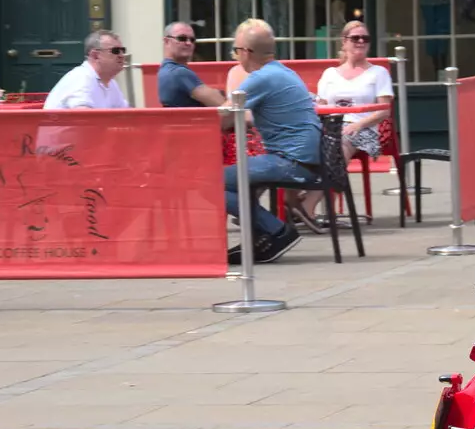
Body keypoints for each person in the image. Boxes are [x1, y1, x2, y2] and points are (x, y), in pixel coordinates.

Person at [221, 19, 321, 265]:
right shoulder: (283, 71)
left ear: (245, 52)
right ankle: (260, 236)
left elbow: (224, 115)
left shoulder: (261, 78)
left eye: (235, 50)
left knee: (211, 182)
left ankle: (276, 231)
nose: (235, 57)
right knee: (233, 181)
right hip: (303, 159)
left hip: (291, 162)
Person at [317, 20, 393, 163]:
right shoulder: (330, 74)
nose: (360, 41)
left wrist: (357, 125)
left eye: (365, 38)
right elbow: (320, 108)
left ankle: (333, 184)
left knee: (341, 141)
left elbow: (384, 111)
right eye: (355, 38)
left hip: (363, 129)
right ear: (344, 42)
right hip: (332, 127)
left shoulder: (378, 73)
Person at [44, 31, 130, 110]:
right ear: (95, 55)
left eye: (123, 50)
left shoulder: (110, 83)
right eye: (116, 51)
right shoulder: (82, 78)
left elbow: (126, 115)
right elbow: (84, 117)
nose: (122, 55)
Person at [157, 23, 226, 109]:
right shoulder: (179, 73)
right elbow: (223, 105)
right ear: (167, 41)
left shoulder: (165, 70)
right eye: (182, 38)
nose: (189, 43)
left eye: (192, 40)